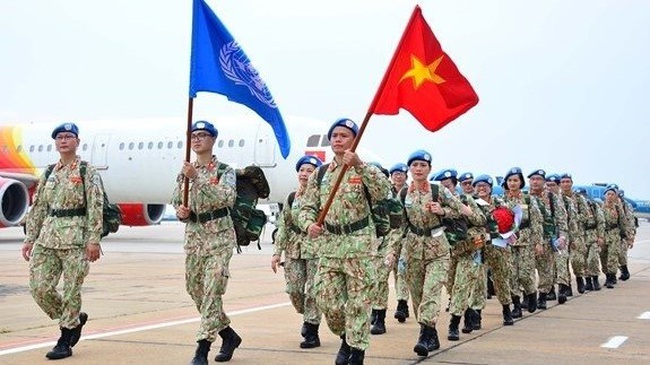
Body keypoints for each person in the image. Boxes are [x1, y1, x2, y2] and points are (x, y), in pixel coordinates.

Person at [297, 118, 391, 365]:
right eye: (335, 135)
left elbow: (383, 191)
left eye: (344, 135)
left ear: (354, 140)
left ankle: (357, 352)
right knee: (327, 299)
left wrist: (360, 165)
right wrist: (309, 224)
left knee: (359, 303)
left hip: (360, 245)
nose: (338, 139)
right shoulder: (319, 174)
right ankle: (346, 337)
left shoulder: (364, 169)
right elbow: (305, 206)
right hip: (330, 245)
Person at [21, 122, 102, 360]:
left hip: (76, 239)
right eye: (59, 137)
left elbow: (95, 207)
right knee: (39, 288)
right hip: (47, 238)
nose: (63, 141)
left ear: (77, 142)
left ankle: (65, 340)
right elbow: (38, 208)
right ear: (55, 143)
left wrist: (94, 240)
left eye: (68, 137)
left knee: (70, 291)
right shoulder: (48, 172)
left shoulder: (87, 171)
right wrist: (29, 239)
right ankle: (74, 319)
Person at [387, 150, 470, 357]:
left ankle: (424, 335)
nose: (418, 169)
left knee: (431, 292)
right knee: (417, 296)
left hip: (438, 250)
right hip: (413, 250)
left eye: (423, 165)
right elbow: (399, 227)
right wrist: (392, 251)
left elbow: (464, 211)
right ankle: (430, 333)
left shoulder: (438, 190)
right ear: (409, 169)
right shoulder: (404, 194)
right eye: (414, 165)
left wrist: (443, 211)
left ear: (429, 169)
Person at [172, 121, 241, 364]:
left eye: (203, 135)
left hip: (219, 238)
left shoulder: (224, 171)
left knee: (212, 291)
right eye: (194, 135)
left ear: (213, 140)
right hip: (194, 236)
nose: (198, 139)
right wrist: (181, 211)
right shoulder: (185, 171)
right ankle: (228, 335)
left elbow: (227, 198)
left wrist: (198, 178)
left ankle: (202, 349)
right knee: (195, 290)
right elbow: (176, 198)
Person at [271, 155, 323, 348]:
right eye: (302, 170)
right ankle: (308, 316)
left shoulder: (322, 197)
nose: (304, 174)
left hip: (316, 249)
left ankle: (311, 329)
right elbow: (283, 226)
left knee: (314, 291)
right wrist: (277, 253)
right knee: (294, 289)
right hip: (293, 250)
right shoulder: (291, 197)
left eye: (309, 171)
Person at [432, 169, 486, 341]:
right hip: (447, 252)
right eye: (442, 187)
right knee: (451, 286)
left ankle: (454, 324)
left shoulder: (465, 199)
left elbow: (481, 220)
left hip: (467, 250)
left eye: (448, 186)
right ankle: (468, 310)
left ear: (455, 185)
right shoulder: (433, 203)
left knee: (461, 285)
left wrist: (467, 212)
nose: (446, 190)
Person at [472, 174, 516, 326]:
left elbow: (512, 220)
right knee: (479, 281)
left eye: (485, 186)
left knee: (501, 279)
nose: (481, 188)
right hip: (479, 247)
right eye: (478, 186)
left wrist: (510, 233)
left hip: (498, 247)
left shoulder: (500, 203)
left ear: (490, 188)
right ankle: (477, 315)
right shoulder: (472, 204)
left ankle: (506, 309)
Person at [502, 167, 542, 316]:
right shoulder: (502, 200)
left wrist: (538, 242)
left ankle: (531, 294)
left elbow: (536, 222)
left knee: (525, 274)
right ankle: (516, 305)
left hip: (526, 240)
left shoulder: (528, 199)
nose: (512, 183)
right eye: (510, 181)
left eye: (515, 180)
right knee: (512, 275)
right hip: (509, 242)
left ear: (521, 182)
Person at [528, 169, 568, 308]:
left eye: (538, 179)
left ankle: (543, 296)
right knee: (526, 270)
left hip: (546, 238)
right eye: (532, 179)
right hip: (528, 240)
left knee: (545, 270)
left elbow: (561, 219)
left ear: (544, 181)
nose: (535, 182)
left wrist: (562, 236)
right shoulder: (525, 197)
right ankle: (527, 296)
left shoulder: (552, 198)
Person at [388, 163, 411, 323]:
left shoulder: (411, 192)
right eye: (395, 174)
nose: (398, 176)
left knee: (402, 269)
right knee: (392, 270)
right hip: (387, 238)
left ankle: (402, 303)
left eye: (401, 174)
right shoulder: (386, 192)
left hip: (406, 237)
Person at [559, 174, 590, 293]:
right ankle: (567, 286)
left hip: (577, 233)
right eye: (563, 182)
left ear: (571, 183)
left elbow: (586, 215)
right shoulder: (558, 198)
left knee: (577, 260)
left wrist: (573, 217)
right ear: (560, 184)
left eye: (568, 181)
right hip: (562, 233)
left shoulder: (578, 198)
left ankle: (579, 279)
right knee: (563, 260)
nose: (566, 184)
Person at [599, 186, 631, 288]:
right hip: (603, 234)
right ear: (605, 196)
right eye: (608, 194)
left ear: (616, 196)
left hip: (614, 234)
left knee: (613, 256)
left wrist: (625, 235)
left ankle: (611, 277)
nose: (610, 196)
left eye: (612, 194)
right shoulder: (600, 208)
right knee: (603, 256)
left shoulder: (618, 208)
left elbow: (623, 222)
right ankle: (607, 274)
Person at [575, 187, 605, 290]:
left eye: (583, 195)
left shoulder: (593, 206)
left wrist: (600, 236)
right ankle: (588, 281)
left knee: (593, 259)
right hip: (581, 236)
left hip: (592, 235)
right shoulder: (574, 207)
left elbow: (601, 221)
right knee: (583, 261)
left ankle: (595, 279)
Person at [616, 189, 636, 281]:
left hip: (623, 233)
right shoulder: (607, 204)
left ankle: (624, 270)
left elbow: (631, 221)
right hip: (612, 233)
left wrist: (630, 236)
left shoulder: (626, 206)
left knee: (622, 253)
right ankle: (614, 274)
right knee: (612, 255)